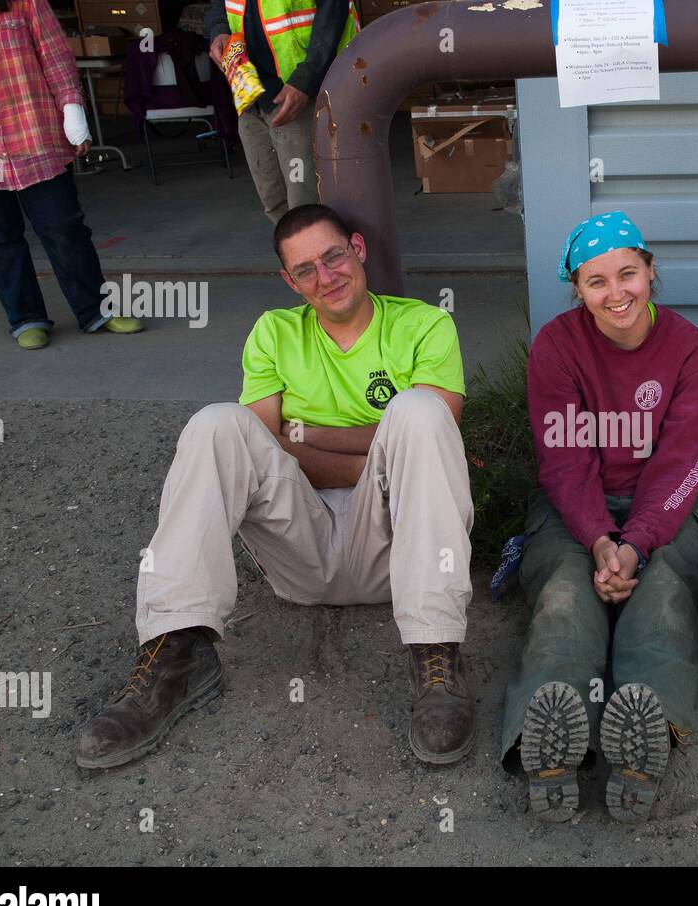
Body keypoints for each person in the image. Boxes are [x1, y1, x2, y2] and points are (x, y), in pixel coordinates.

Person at [76, 203, 475, 770]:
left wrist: (305, 433)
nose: (326, 276)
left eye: (333, 256)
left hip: (394, 551)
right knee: (216, 423)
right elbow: (259, 445)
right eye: (306, 269)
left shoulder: (424, 324)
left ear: (358, 249)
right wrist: (382, 456)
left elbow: (437, 425)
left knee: (420, 414)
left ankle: (437, 655)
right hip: (301, 554)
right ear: (290, 280)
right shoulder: (274, 332)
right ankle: (175, 651)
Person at [501, 211, 698, 823]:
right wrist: (602, 542)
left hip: (674, 502)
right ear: (576, 288)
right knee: (565, 598)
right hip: (577, 504)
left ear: (652, 272)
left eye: (628, 273)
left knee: (663, 595)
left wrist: (638, 544)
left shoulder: (691, 351)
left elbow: (680, 463)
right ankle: (549, 748)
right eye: (595, 281)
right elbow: (565, 459)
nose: (615, 293)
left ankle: (643, 740)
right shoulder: (557, 345)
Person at [0, 0, 144, 348]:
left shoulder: (25, 3)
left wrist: (73, 113)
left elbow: (55, 57)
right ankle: (26, 319)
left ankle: (97, 309)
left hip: (34, 137)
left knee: (64, 228)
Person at [206, 0, 360, 223]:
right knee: (273, 200)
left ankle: (323, 254)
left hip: (298, 97)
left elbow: (332, 17)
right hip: (251, 96)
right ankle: (297, 256)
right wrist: (218, 30)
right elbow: (219, 6)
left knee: (305, 201)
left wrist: (305, 80)